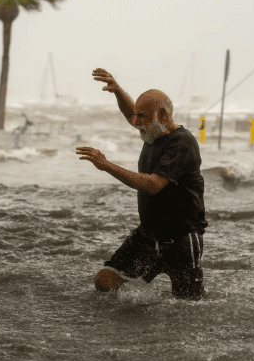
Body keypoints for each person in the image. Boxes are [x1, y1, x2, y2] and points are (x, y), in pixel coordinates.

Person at [76, 68, 208, 300]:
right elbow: (131, 113)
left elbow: (154, 184)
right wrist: (117, 91)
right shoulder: (151, 131)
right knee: (106, 282)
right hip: (148, 235)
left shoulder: (181, 143)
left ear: (164, 116)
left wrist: (107, 166)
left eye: (143, 117)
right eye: (137, 116)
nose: (136, 122)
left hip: (182, 238)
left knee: (188, 306)